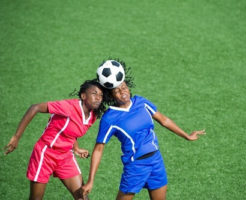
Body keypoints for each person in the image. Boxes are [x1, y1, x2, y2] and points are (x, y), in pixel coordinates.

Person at [82, 61, 206, 200]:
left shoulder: (141, 102)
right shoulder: (110, 118)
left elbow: (164, 120)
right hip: (135, 167)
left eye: (124, 87)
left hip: (156, 162)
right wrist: (91, 180)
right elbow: (99, 149)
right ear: (111, 96)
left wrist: (186, 136)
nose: (123, 91)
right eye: (117, 90)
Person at [4, 79, 106, 200]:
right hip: (45, 153)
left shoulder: (92, 117)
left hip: (65, 156)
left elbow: (70, 132)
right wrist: (16, 137)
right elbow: (35, 107)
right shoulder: (69, 107)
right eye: (94, 93)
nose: (98, 97)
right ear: (83, 96)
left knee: (82, 197)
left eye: (101, 95)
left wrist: (76, 148)